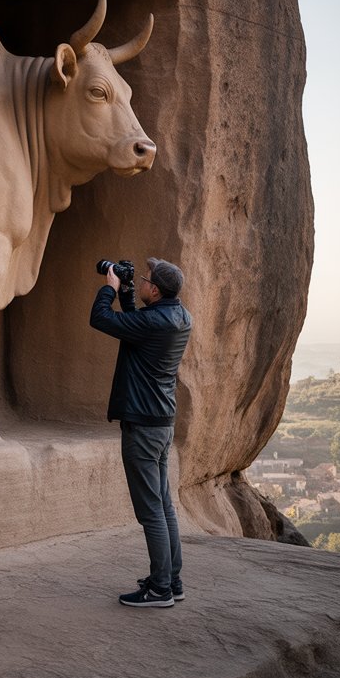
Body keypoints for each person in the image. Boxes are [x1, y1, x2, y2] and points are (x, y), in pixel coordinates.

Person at [90, 257, 192, 608]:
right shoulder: (179, 317)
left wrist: (111, 288)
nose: (143, 280)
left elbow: (100, 319)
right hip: (162, 423)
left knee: (150, 511)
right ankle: (172, 581)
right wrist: (131, 294)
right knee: (163, 506)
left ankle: (160, 589)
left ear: (156, 290)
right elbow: (138, 325)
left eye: (146, 279)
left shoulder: (155, 321)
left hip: (144, 427)